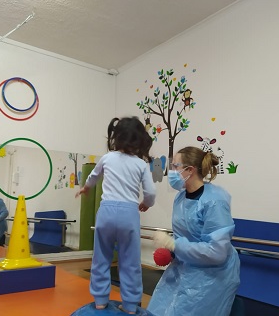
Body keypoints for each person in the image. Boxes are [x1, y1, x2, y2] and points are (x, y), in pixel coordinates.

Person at [75, 116, 156, 314]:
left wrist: (86, 188)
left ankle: (101, 300)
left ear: (116, 138)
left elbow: (93, 176)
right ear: (140, 141)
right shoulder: (140, 164)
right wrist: (146, 203)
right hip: (129, 213)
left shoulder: (107, 157)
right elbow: (151, 193)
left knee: (101, 256)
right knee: (130, 261)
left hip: (106, 212)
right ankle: (129, 305)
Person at [147, 146, 240, 316]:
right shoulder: (180, 198)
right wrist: (171, 251)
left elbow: (216, 252)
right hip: (184, 266)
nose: (172, 171)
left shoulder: (214, 201)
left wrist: (173, 244)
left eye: (175, 166)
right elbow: (184, 235)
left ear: (190, 170)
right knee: (158, 309)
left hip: (212, 274)